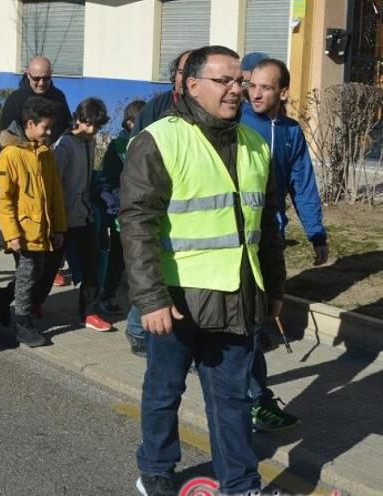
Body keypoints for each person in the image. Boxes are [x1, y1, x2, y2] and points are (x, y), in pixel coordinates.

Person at [120, 45, 286, 496]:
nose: (238, 90)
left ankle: (240, 483)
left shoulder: (254, 145)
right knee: (164, 391)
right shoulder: (159, 140)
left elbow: (266, 225)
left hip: (237, 295)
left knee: (232, 399)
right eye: (225, 81)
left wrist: (273, 288)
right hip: (177, 299)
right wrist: (150, 298)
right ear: (192, 86)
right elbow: (136, 224)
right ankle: (155, 468)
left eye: (241, 81)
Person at [242, 57, 328, 433]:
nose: (255, 93)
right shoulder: (237, 124)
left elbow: (303, 184)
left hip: (270, 238)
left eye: (265, 87)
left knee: (253, 323)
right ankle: (254, 400)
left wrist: (316, 231)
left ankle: (249, 394)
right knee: (246, 326)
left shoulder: (290, 132)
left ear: (282, 92)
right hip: (238, 237)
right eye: (252, 85)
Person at [124, 49, 194, 354]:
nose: (188, 77)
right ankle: (137, 331)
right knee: (152, 272)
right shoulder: (156, 109)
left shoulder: (206, 111)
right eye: (183, 71)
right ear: (174, 77)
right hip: (156, 203)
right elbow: (135, 156)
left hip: (188, 214)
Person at [0, 96, 66, 347]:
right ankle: (22, 323)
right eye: (45, 127)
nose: (49, 132)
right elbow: (5, 199)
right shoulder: (11, 155)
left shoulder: (45, 153)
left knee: (37, 274)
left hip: (42, 229)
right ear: (31, 124)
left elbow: (54, 193)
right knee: (28, 276)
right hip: (23, 230)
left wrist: (58, 227)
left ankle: (4, 296)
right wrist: (11, 233)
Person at [54, 98, 113, 332]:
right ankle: (25, 302)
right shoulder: (63, 145)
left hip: (84, 215)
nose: (92, 130)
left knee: (91, 266)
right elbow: (54, 183)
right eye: (88, 124)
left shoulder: (90, 143)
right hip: (63, 218)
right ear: (77, 119)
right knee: (45, 269)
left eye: (97, 127)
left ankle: (89, 312)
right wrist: (56, 219)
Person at [97, 99, 145, 326]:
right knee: (117, 257)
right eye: (141, 122)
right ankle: (106, 296)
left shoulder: (146, 142)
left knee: (133, 259)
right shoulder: (118, 147)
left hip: (141, 211)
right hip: (121, 211)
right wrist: (118, 205)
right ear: (129, 122)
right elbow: (111, 179)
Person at [0, 56, 73, 140]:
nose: (41, 83)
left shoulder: (58, 97)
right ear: (28, 75)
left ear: (51, 74)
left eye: (46, 78)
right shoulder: (15, 100)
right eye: (36, 78)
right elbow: (7, 136)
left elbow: (66, 128)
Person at [132, 50, 192, 136]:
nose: (183, 79)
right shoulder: (154, 108)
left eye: (191, 74)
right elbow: (136, 146)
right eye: (181, 73)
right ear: (174, 74)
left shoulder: (212, 109)